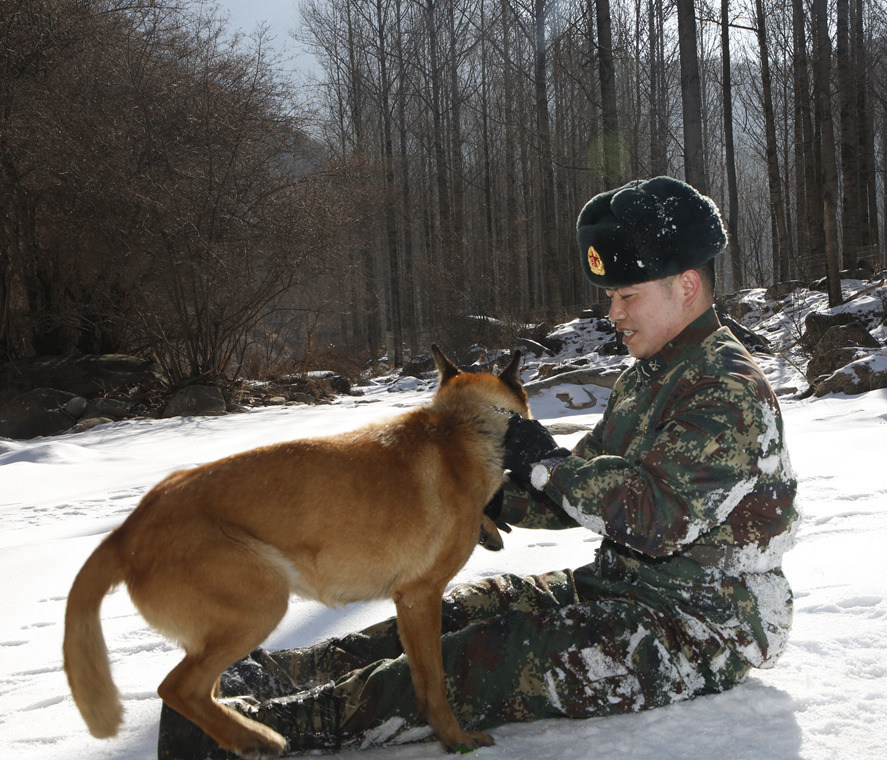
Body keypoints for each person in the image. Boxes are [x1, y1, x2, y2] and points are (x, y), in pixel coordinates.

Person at [157, 176, 799, 758]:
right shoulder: (649, 378)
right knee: (467, 608)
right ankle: (276, 673)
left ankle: (265, 729)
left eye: (626, 296)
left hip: (701, 624)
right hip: (619, 587)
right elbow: (579, 487)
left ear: (687, 285)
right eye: (610, 298)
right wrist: (486, 496)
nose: (614, 315)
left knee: (485, 658)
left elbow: (657, 517)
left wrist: (543, 461)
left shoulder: (725, 390)